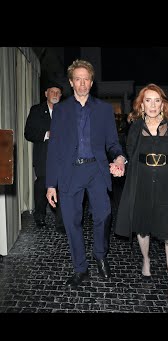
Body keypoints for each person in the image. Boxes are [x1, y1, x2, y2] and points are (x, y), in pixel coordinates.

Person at [114, 83, 168, 304]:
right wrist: (120, 165)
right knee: (143, 228)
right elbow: (129, 156)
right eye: (148, 100)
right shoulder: (134, 127)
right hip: (142, 182)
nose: (152, 105)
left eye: (157, 100)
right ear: (141, 105)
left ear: (162, 104)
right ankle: (146, 259)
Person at [46, 59, 126, 289]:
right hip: (70, 172)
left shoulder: (103, 109)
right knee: (72, 222)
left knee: (103, 214)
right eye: (77, 79)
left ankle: (100, 254)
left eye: (86, 79)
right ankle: (81, 268)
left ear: (92, 82)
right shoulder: (61, 110)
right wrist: (51, 184)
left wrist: (119, 157)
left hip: (97, 170)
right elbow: (54, 148)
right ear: (71, 82)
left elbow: (112, 142)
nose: (82, 83)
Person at [24, 81, 65, 233]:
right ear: (46, 94)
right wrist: (46, 134)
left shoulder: (65, 111)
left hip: (62, 158)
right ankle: (39, 216)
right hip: (43, 157)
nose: (55, 94)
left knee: (62, 188)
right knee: (42, 186)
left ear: (61, 96)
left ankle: (60, 222)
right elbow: (28, 133)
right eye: (52, 91)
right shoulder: (36, 110)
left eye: (58, 92)